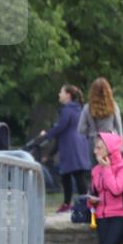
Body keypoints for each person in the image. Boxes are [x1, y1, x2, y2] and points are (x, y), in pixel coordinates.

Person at [39, 84, 91, 213]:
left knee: (75, 175)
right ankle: (72, 203)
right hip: (78, 144)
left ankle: (81, 203)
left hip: (71, 146)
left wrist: (47, 134)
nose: (59, 94)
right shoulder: (77, 109)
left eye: (61, 92)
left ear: (68, 95)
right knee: (68, 174)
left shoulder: (67, 110)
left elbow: (61, 127)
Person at [77, 77, 123, 156]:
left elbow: (81, 129)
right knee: (111, 167)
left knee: (96, 168)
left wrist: (91, 132)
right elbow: (118, 127)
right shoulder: (113, 106)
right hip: (110, 142)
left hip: (94, 143)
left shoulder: (87, 108)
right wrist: (121, 145)